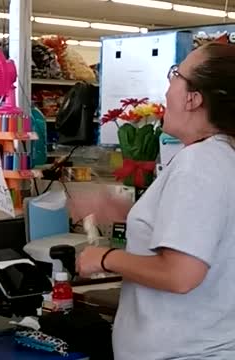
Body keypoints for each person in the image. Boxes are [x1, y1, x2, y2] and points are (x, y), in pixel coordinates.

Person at [77, 42, 235, 359]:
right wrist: (128, 212)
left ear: (194, 98)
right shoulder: (221, 155)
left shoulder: (201, 163)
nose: (167, 89)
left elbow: (180, 275)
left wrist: (104, 257)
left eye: (175, 75)